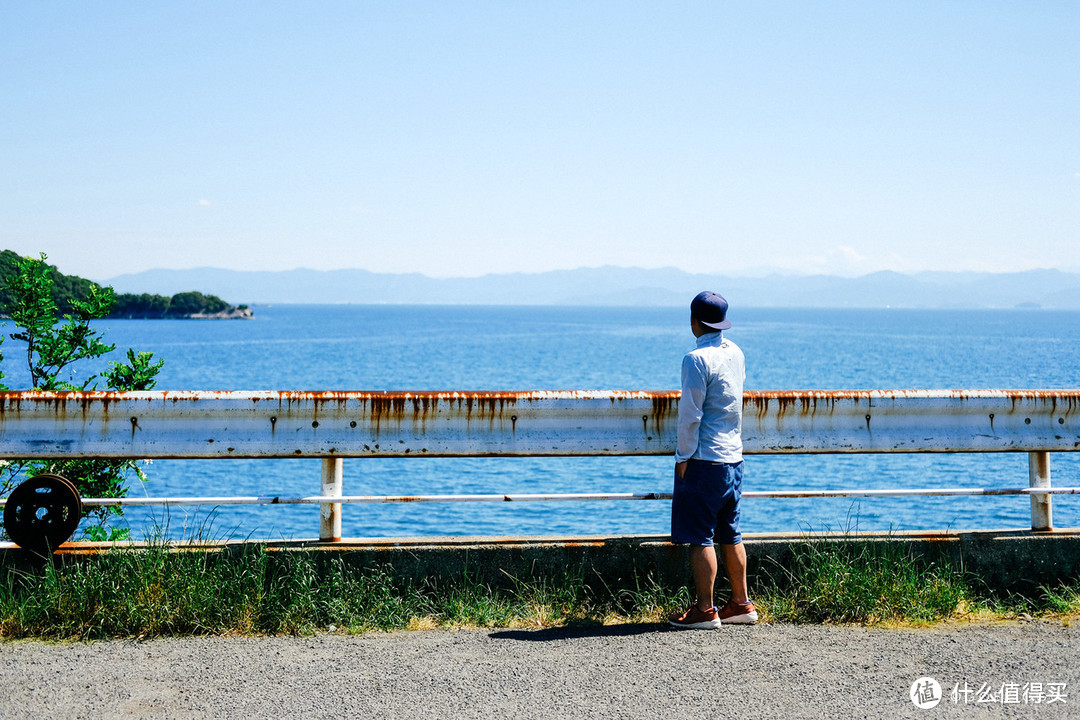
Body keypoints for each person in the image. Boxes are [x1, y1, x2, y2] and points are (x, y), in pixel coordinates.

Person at [668, 291, 757, 629]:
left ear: (695, 321)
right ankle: (740, 603)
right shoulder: (736, 352)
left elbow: (690, 415)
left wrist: (683, 457)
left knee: (700, 537)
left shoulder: (695, 359)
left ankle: (705, 610)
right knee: (731, 534)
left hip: (704, 459)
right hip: (733, 458)